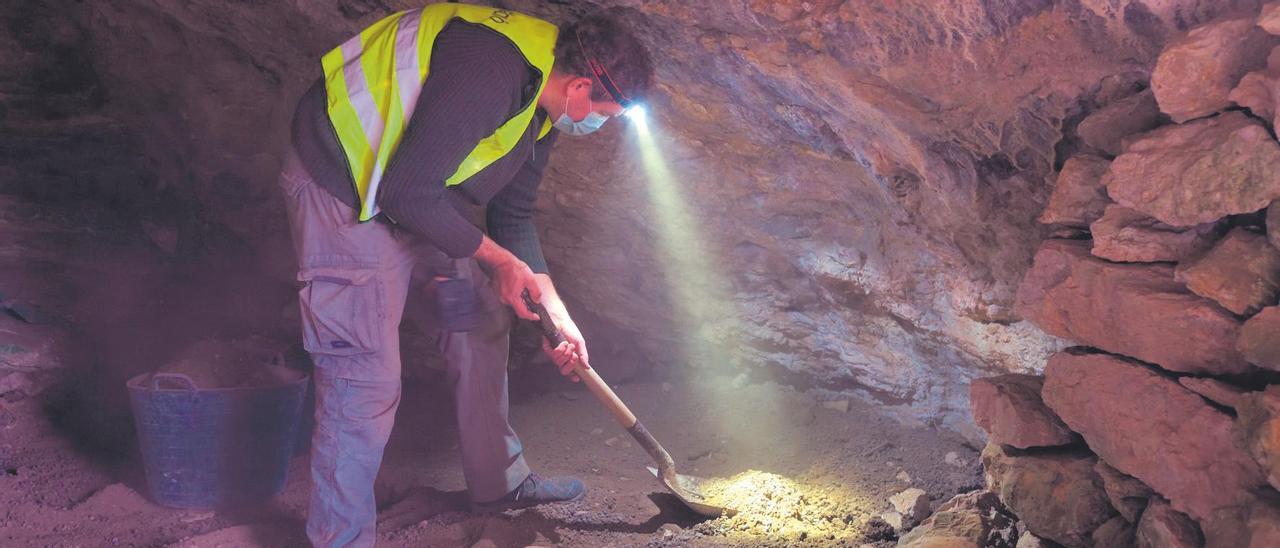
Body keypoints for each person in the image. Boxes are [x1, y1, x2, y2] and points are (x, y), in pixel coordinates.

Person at [277, 3, 653, 546]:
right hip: (344, 188)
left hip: (417, 194)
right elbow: (405, 191)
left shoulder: (542, 105)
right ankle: (340, 538)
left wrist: (556, 313)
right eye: (606, 113)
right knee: (364, 378)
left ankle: (499, 483)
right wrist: (498, 261)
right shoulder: (490, 70)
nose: (602, 124)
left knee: (479, 321)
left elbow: (513, 217)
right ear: (579, 89)